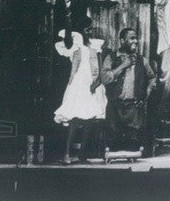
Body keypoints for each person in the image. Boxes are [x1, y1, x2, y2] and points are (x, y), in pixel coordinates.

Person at [53, 25, 107, 164]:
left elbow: (100, 69)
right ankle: (67, 153)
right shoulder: (76, 48)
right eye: (87, 29)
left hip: (92, 84)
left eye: (90, 30)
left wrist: (96, 84)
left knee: (89, 119)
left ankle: (82, 153)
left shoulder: (96, 48)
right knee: (75, 119)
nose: (90, 32)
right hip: (79, 85)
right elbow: (74, 69)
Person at [100, 28, 156, 156]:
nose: (136, 41)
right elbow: (104, 78)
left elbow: (152, 78)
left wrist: (145, 95)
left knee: (133, 146)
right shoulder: (111, 58)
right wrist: (122, 66)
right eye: (132, 38)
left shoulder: (142, 60)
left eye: (136, 38)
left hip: (134, 109)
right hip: (115, 107)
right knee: (114, 145)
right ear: (122, 40)